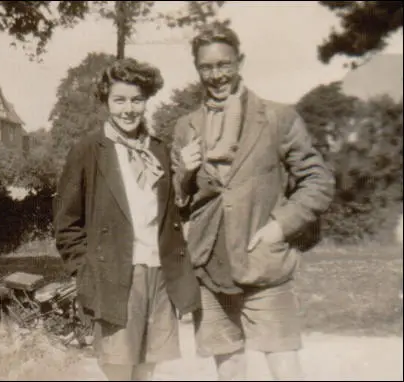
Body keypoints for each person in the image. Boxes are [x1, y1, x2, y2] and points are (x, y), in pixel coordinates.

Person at [170, 23, 335, 381]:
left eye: (224, 64)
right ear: (197, 68)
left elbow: (318, 181)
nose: (216, 75)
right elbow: (179, 202)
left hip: (263, 263)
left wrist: (280, 226)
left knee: (284, 367)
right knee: (228, 369)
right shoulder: (186, 126)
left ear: (240, 61)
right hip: (208, 265)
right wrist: (183, 173)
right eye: (207, 67)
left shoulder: (277, 117)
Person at [53, 57, 201, 381]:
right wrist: (86, 271)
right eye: (119, 100)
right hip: (116, 277)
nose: (128, 109)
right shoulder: (89, 150)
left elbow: (176, 213)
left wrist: (186, 176)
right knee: (119, 372)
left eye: (136, 100)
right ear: (106, 101)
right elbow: (66, 224)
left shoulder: (159, 151)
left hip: (160, 275)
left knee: (146, 373)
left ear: (146, 100)